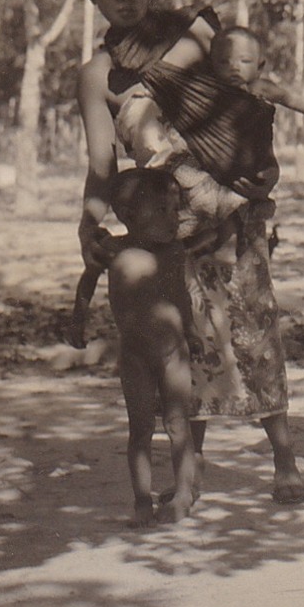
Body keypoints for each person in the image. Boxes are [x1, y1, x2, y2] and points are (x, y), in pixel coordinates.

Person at [77, 0, 304, 506]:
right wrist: (88, 224)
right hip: (164, 224)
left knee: (253, 328)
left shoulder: (193, 36)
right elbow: (103, 161)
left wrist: (263, 172)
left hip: (232, 207)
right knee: (187, 340)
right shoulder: (97, 73)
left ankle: (284, 456)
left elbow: (246, 97)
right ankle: (191, 467)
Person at [90, 168, 200, 526]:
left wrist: (192, 333)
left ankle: (183, 493)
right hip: (134, 354)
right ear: (129, 216)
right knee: (140, 430)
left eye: (176, 210)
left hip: (174, 352)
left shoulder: (175, 251)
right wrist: (78, 317)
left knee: (178, 423)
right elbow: (87, 278)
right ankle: (141, 502)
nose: (174, 220)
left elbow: (181, 296)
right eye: (163, 211)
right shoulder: (115, 250)